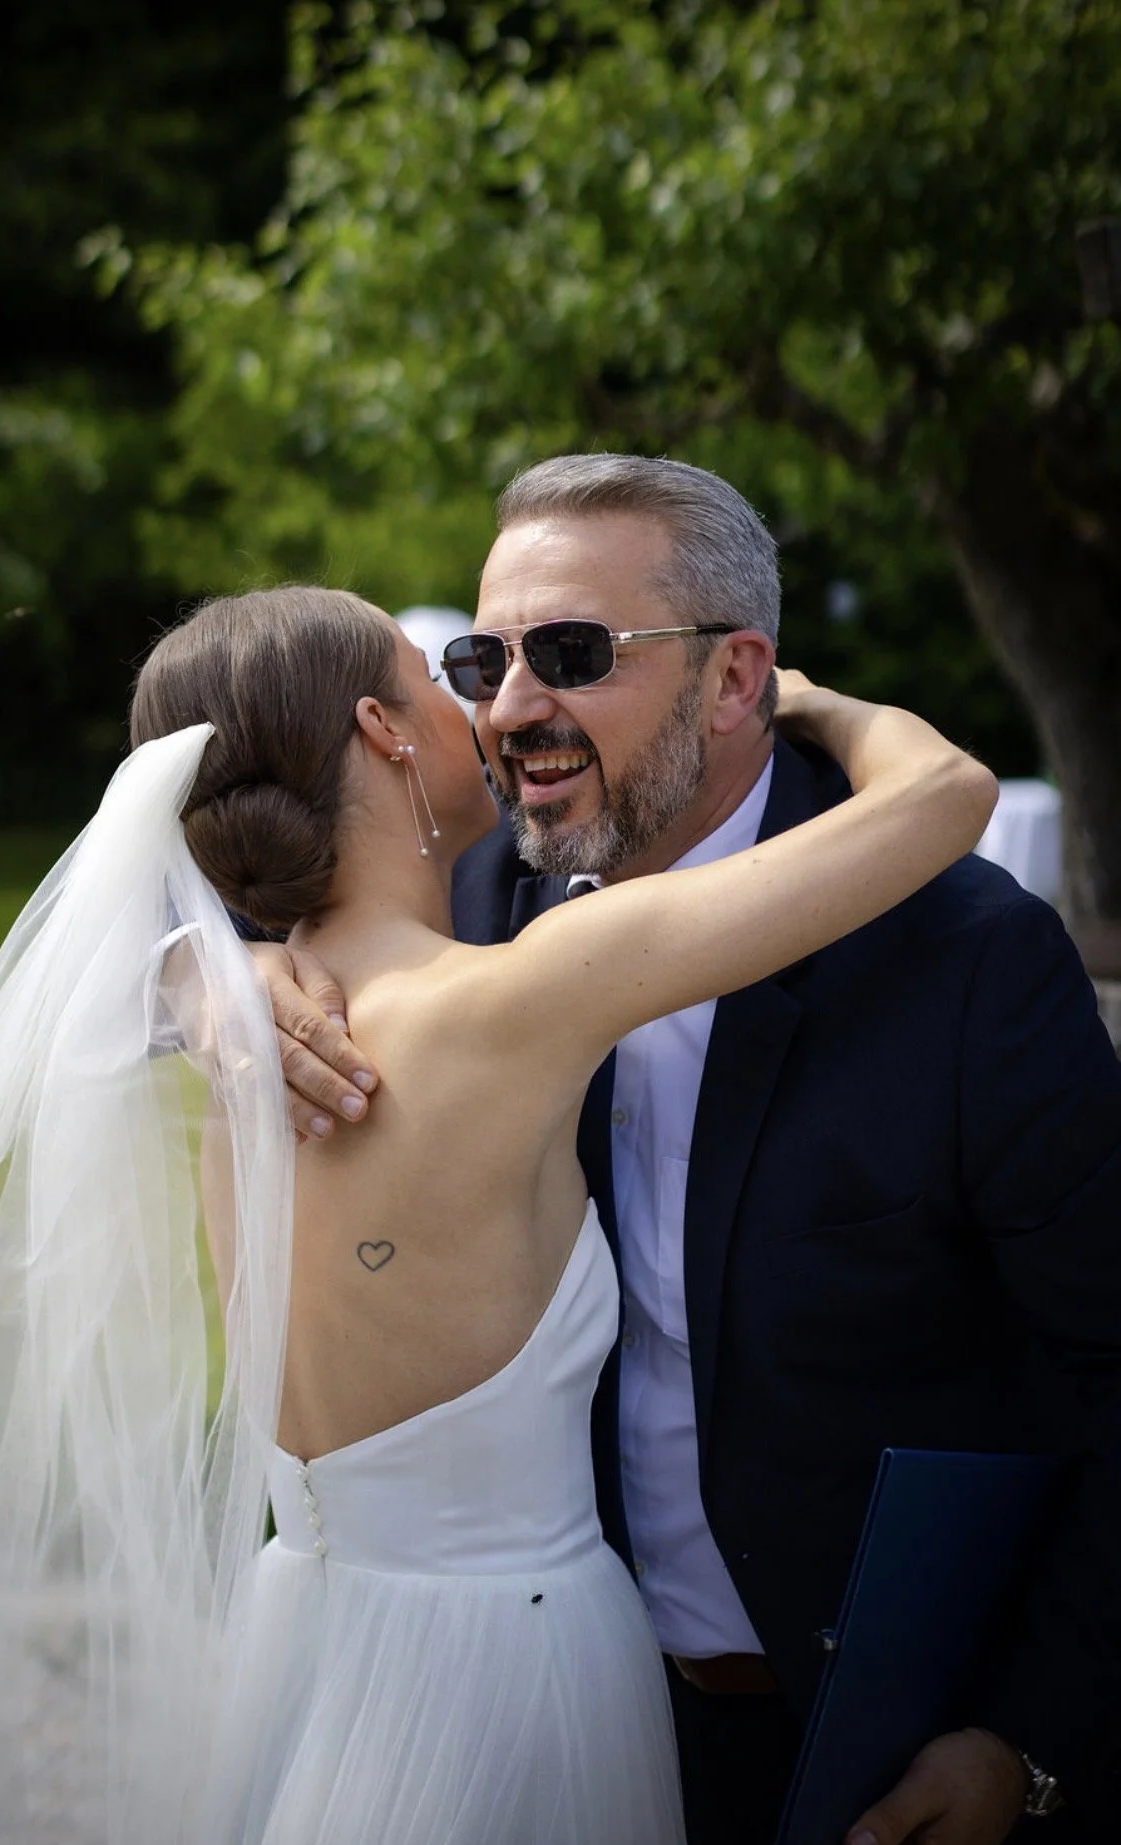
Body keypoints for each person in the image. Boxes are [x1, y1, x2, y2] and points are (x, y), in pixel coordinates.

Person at [0, 579, 990, 1845]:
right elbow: (945, 798)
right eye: (443, 678)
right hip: (511, 1673)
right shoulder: (517, 1001)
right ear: (383, 731)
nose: (489, 709)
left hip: (304, 1640)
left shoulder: (246, 1053)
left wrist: (201, 968)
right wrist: (807, 701)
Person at [260, 456, 1121, 1845]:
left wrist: (1027, 1738)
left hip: (884, 1740)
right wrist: (223, 974)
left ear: (735, 682)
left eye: (571, 653)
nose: (510, 707)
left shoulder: (964, 959)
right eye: (484, 661)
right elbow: (192, 876)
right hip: (562, 1713)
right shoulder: (467, 905)